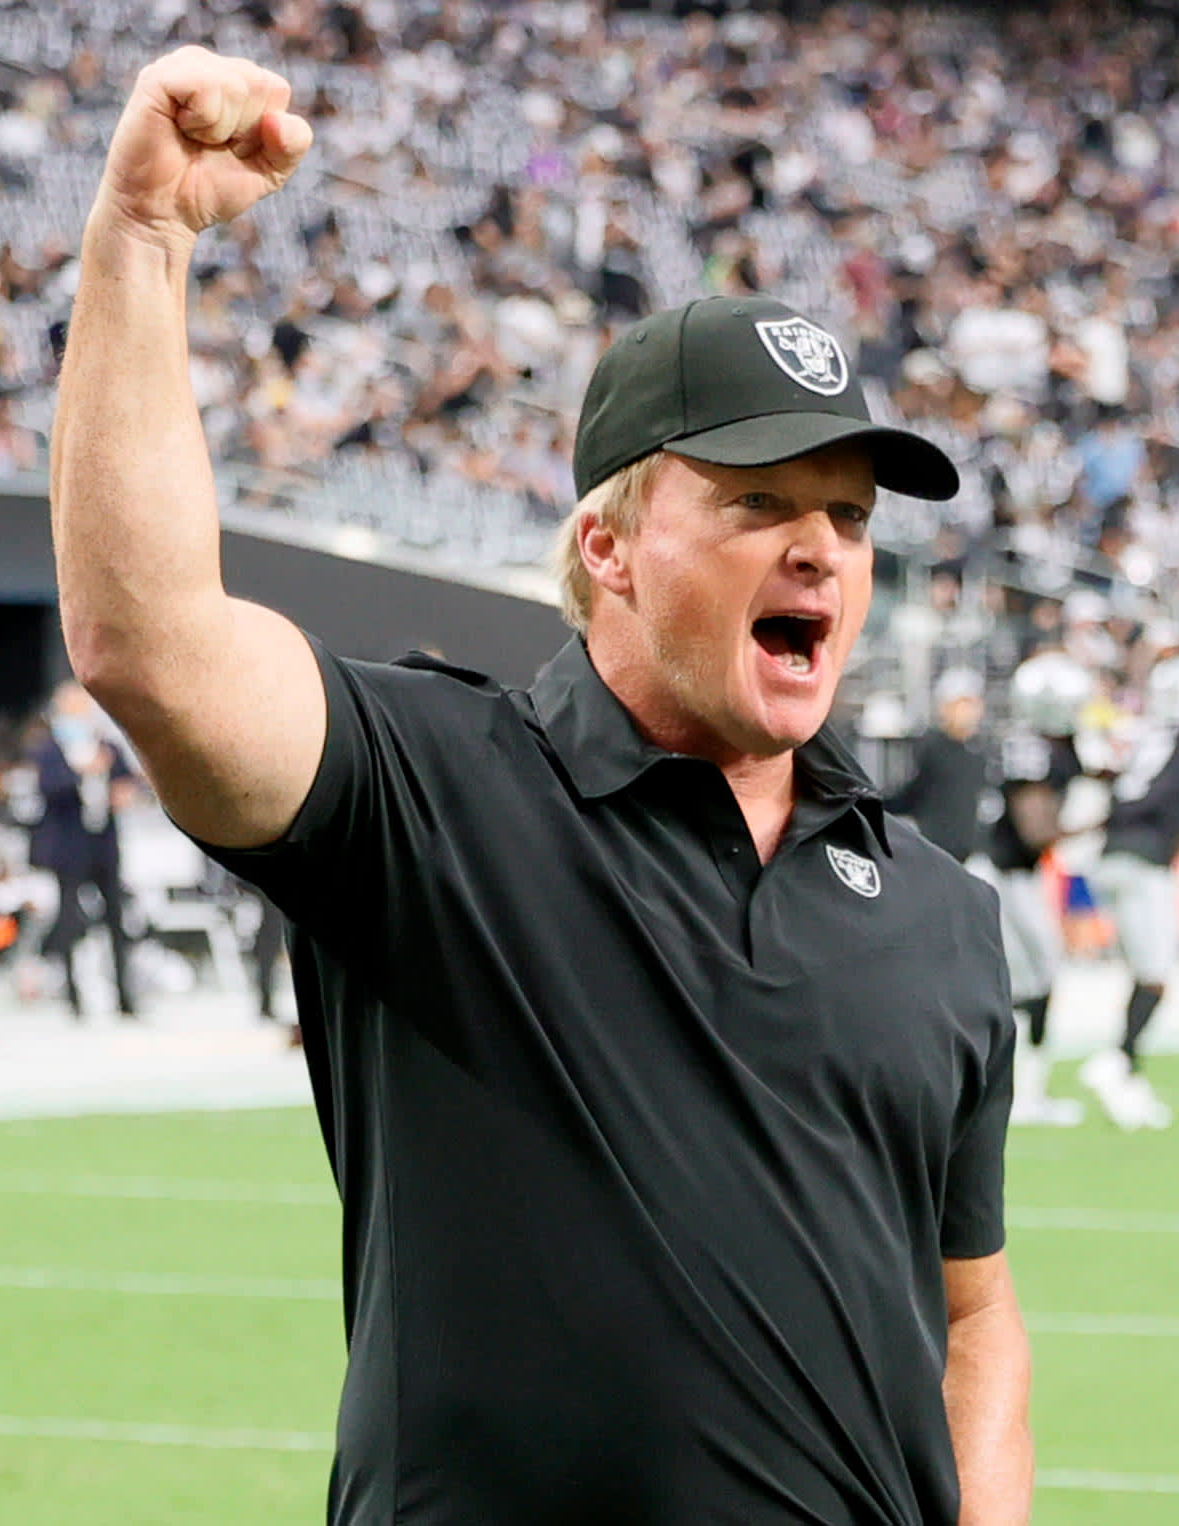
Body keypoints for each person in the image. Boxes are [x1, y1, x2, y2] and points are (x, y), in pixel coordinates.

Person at [51, 49, 1031, 1524]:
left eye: (847, 513)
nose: (820, 547)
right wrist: (142, 240)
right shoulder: (434, 796)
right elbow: (154, 647)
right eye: (757, 502)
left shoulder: (941, 913)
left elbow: (973, 1320)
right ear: (607, 546)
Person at [1081, 652, 1179, 1130]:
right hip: (1144, 864)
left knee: (1141, 972)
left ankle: (1128, 1074)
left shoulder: (1146, 733)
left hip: (1110, 858)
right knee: (1157, 973)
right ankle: (1118, 1061)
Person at [978, 650, 1095, 1128]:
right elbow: (1035, 830)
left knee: (1031, 981)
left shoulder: (1043, 746)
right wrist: (1094, 824)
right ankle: (1020, 1092)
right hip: (1002, 875)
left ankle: (1023, 1090)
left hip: (1008, 872)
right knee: (1033, 978)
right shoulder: (1034, 751)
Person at [30, 681, 139, 1019]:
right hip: (69, 847)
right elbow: (48, 790)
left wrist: (123, 791)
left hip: (103, 844)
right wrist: (81, 773)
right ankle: (72, 998)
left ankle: (125, 997)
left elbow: (128, 781)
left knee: (116, 920)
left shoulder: (107, 746)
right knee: (69, 920)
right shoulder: (49, 750)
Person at [884, 666, 988, 863]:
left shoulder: (981, 752)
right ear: (945, 707)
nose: (967, 711)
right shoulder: (930, 747)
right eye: (960, 703)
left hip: (971, 856)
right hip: (934, 852)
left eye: (972, 703)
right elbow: (907, 795)